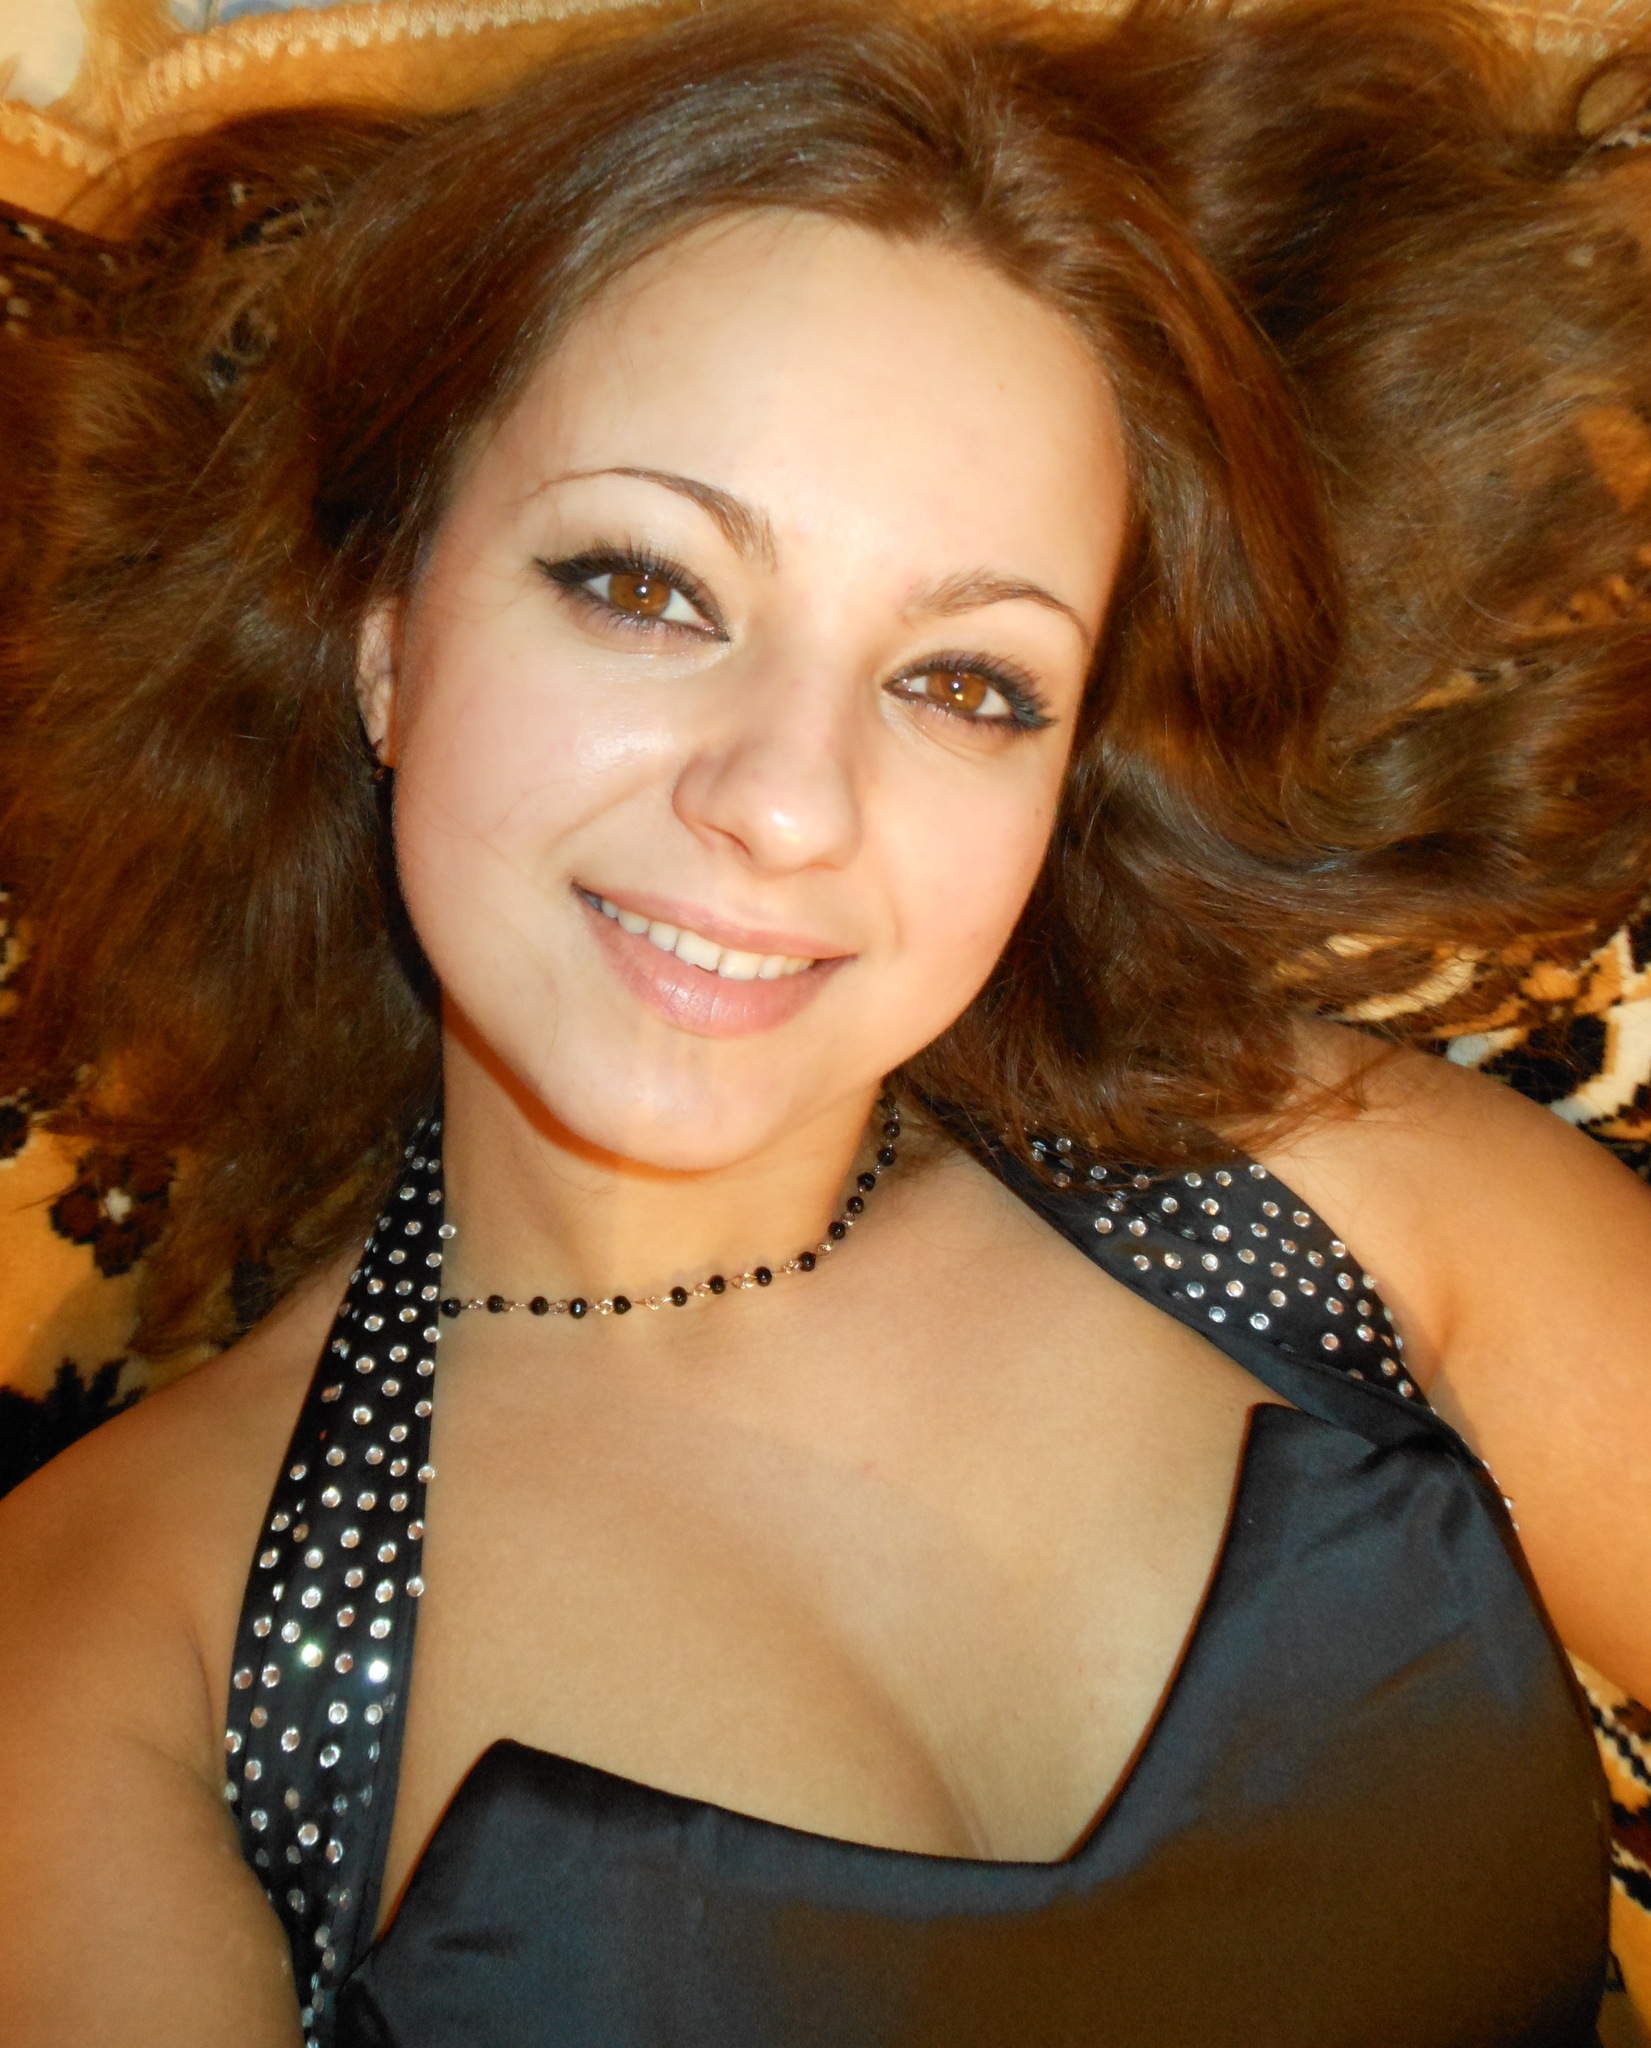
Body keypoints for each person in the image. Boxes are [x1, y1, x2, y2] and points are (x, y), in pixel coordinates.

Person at [1, 2, 1649, 2042]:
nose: (785, 802)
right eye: (644, 586)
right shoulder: (123, 1641)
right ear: (385, 639)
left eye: (965, 683)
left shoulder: (1335, 1205)